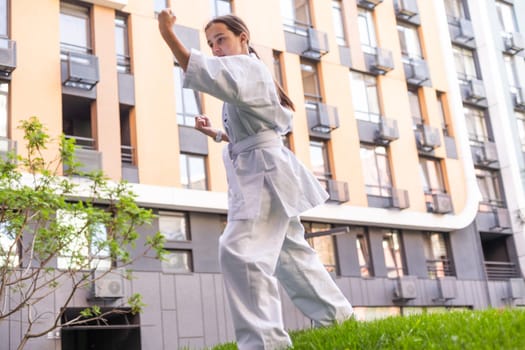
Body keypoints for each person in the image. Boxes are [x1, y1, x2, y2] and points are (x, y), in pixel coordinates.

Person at [158, 9, 353, 350]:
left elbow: (198, 68)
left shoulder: (247, 67)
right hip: (263, 170)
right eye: (211, 43)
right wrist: (217, 133)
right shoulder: (249, 73)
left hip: (263, 174)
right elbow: (253, 132)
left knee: (239, 252)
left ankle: (265, 342)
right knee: (291, 255)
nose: (216, 48)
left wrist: (167, 33)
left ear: (242, 38)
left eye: (221, 39)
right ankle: (339, 319)